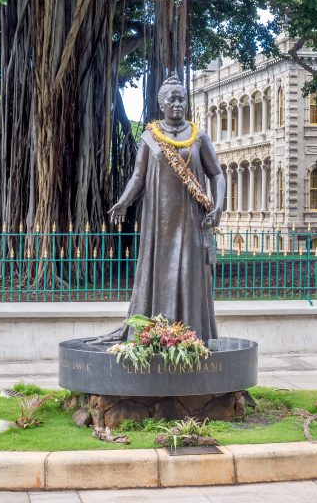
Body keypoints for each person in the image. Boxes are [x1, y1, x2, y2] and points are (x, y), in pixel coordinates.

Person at [96, 74, 225, 343]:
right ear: (161, 103)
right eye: (172, 99)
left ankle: (190, 334)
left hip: (191, 219)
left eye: (182, 99)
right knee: (157, 272)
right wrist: (124, 200)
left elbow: (217, 174)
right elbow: (138, 177)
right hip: (159, 221)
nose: (177, 104)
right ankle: (153, 333)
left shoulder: (198, 137)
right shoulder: (149, 137)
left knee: (190, 273)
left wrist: (219, 207)